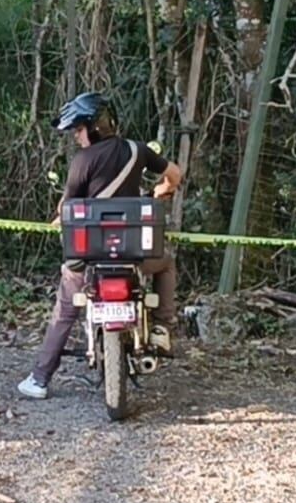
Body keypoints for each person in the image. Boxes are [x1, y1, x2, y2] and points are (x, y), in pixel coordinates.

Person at [17, 92, 183, 400]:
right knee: (166, 261)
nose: (76, 136)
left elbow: (67, 206)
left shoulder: (82, 161)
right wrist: (161, 191)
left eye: (79, 130)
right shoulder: (137, 150)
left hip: (89, 260)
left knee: (65, 308)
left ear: (95, 128)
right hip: (134, 256)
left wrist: (59, 217)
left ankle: (40, 378)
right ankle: (162, 326)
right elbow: (174, 174)